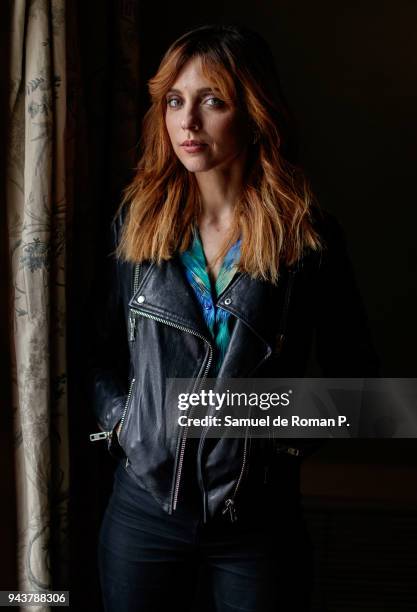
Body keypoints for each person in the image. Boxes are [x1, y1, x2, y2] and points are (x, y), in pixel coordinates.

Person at [86, 24, 379, 612]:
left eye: (211, 100)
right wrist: (125, 428)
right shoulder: (135, 221)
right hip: (142, 514)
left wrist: (273, 447)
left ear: (253, 112)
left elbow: (359, 385)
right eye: (175, 100)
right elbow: (100, 355)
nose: (187, 121)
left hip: (257, 525)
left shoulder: (307, 239)